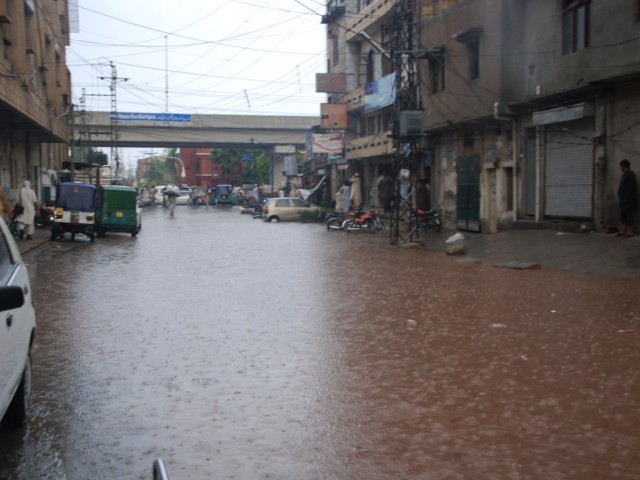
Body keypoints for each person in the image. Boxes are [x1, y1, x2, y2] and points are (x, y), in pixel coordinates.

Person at [617, 159, 637, 238]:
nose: (620, 168)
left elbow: (631, 187)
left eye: (621, 166)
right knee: (623, 215)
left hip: (629, 200)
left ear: (624, 166)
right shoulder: (624, 175)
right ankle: (622, 231)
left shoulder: (631, 174)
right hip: (623, 200)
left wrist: (626, 197)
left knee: (629, 215)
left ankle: (630, 232)